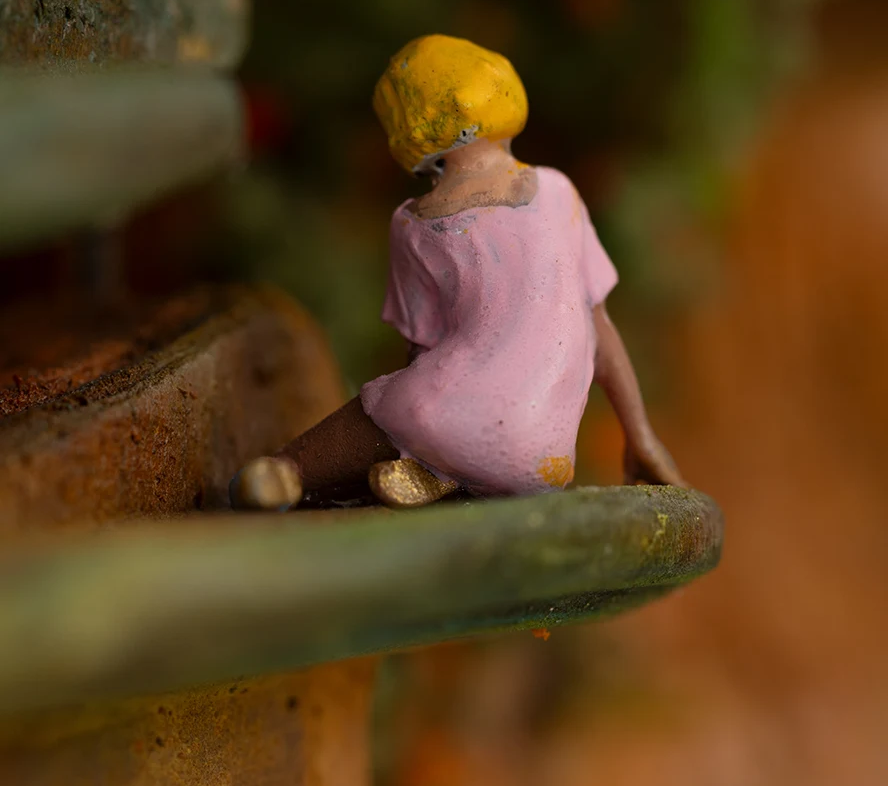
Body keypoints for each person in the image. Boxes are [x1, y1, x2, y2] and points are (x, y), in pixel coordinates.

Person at [231, 35, 684, 510]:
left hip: (451, 416)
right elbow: (600, 329)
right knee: (446, 425)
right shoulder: (559, 191)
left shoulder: (416, 222)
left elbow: (420, 348)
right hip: (544, 459)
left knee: (386, 407)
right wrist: (642, 439)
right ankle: (439, 472)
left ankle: (286, 473)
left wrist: (415, 413)